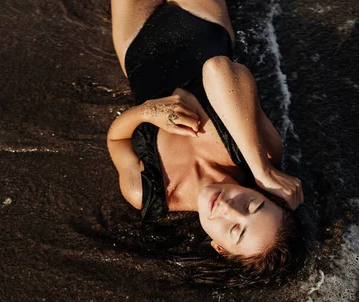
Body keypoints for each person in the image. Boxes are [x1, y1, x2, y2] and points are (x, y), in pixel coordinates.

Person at [107, 0, 304, 284]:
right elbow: (219, 68)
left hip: (137, 45)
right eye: (252, 204)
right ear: (263, 192)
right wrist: (262, 170)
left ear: (220, 248)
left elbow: (116, 138)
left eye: (235, 230)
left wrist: (148, 112)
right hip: (202, 20)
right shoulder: (258, 152)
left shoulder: (148, 192)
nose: (227, 208)